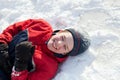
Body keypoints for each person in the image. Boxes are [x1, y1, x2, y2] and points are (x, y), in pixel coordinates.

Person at [0, 18, 90, 80]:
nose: (59, 44)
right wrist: (2, 44)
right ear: (60, 31)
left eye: (65, 47)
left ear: (66, 53)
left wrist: (20, 64)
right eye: (62, 38)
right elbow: (14, 29)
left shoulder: (49, 68)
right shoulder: (41, 25)